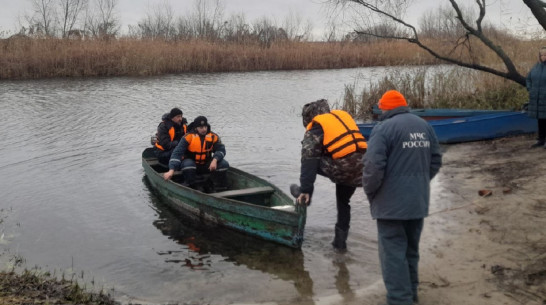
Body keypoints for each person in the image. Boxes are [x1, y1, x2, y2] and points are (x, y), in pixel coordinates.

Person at [362, 90, 442, 305]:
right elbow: (435, 160)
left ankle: (399, 299)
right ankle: (411, 294)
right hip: (417, 201)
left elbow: (372, 168)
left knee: (393, 255)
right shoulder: (424, 125)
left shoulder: (383, 129)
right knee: (410, 250)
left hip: (391, 205)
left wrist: (371, 192)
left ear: (385, 108)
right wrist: (419, 183)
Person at [290, 99, 367, 252]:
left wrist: (306, 189)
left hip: (344, 169)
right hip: (364, 169)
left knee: (311, 159)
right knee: (343, 201)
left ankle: (305, 193)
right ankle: (340, 245)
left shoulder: (317, 126)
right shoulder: (341, 117)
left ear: (308, 117)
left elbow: (309, 160)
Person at [163, 116, 229, 191]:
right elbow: (177, 153)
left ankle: (219, 187)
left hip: (206, 164)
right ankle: (191, 186)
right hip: (191, 164)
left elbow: (221, 149)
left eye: (205, 127)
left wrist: (215, 160)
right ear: (196, 128)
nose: (204, 129)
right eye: (201, 127)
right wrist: (171, 170)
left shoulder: (213, 136)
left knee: (224, 164)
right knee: (188, 165)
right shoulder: (188, 137)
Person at [526, 46, 546, 149]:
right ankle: (541, 140)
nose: (543, 57)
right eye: (541, 55)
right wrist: (530, 89)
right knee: (540, 120)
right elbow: (528, 79)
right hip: (537, 99)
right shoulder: (536, 67)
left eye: (545, 54)